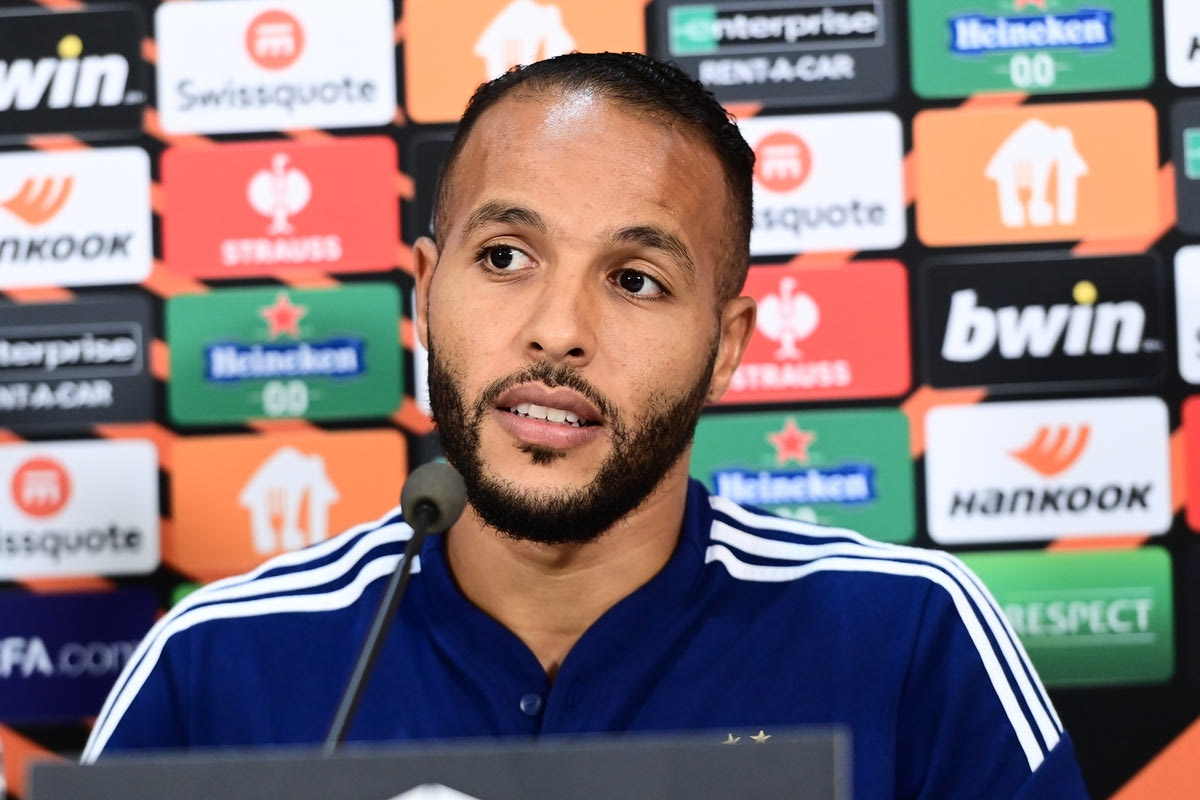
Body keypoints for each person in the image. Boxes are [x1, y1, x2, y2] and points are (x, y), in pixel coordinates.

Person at [83, 52, 1089, 798]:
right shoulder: (215, 664)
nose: (558, 329)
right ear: (427, 292)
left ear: (727, 346)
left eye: (637, 279)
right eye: (505, 258)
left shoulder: (910, 636)